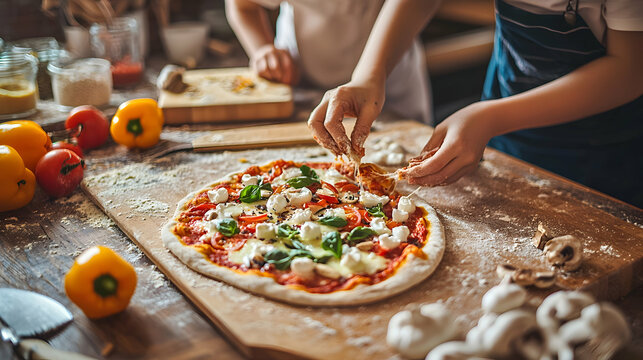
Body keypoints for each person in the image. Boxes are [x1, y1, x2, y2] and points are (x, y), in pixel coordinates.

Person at [307, 0, 643, 208]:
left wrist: (491, 117)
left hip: (604, 146)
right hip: (503, 102)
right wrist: (368, 77)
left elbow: (631, 69)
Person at [225, 0, 433, 124]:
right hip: (300, 80)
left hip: (390, 82)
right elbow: (243, 5)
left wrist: (369, 77)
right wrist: (262, 49)